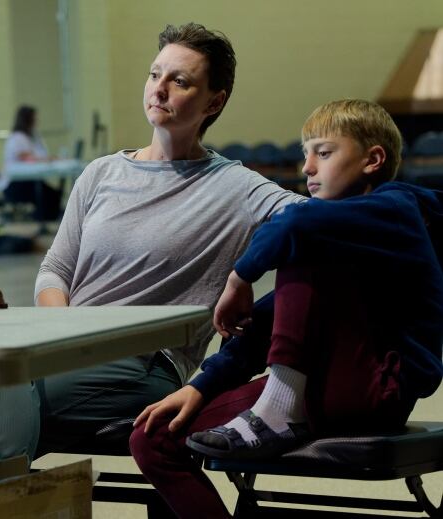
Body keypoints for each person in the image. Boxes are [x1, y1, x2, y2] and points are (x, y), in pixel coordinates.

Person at [0, 23, 304, 468]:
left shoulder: (235, 186)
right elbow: (55, 270)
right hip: (66, 351)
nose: (159, 89)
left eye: (179, 81)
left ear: (213, 102)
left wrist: (244, 274)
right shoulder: (101, 173)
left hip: (144, 366)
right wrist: (62, 335)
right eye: (154, 74)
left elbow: (314, 222)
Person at [130, 99, 443, 518]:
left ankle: (277, 410)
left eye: (324, 153)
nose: (307, 168)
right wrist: (201, 386)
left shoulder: (399, 212)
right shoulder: (327, 239)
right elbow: (268, 322)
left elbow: (295, 224)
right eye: (305, 155)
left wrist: (239, 278)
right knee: (152, 438)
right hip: (311, 390)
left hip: (378, 387)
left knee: (307, 233)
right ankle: (277, 408)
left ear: (374, 159)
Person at [0, 105, 63, 221]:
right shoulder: (18, 138)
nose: (37, 121)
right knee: (50, 194)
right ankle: (42, 220)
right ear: (27, 119)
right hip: (14, 185)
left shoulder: (30, 137)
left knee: (53, 192)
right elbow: (27, 158)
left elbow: (36, 155)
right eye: (35, 118)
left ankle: (44, 219)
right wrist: (48, 159)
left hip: (24, 181)